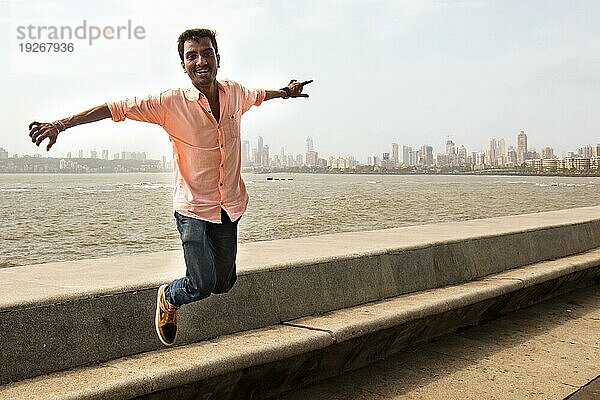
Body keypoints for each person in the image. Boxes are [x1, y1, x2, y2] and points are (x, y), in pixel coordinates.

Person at [28, 28, 312, 346]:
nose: (201, 60)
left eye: (207, 53)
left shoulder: (235, 92)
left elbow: (261, 95)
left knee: (224, 283)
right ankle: (170, 296)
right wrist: (60, 125)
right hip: (192, 208)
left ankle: (202, 282)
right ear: (183, 65)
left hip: (229, 204)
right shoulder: (169, 103)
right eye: (192, 56)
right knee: (202, 284)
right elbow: (113, 108)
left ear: (218, 58)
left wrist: (286, 92)